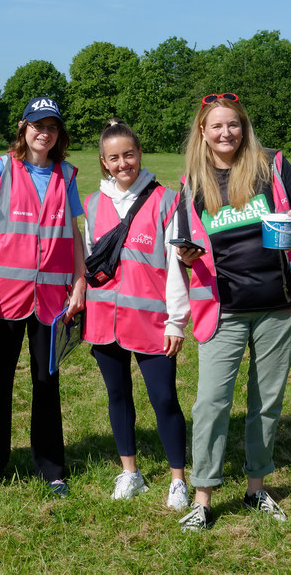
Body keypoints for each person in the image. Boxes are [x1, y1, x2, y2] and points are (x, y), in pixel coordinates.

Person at [175, 92, 291, 531]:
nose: (226, 133)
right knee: (211, 403)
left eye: (233, 124)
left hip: (278, 307)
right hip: (224, 310)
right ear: (203, 131)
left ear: (244, 127)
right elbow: (182, 246)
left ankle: (256, 487)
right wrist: (185, 255)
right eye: (217, 126)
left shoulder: (271, 166)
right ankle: (203, 496)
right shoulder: (192, 184)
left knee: (266, 402)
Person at [0, 96, 86, 496]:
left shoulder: (66, 174)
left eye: (52, 127)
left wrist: (80, 280)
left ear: (58, 134)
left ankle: (51, 467)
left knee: (46, 381)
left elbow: (74, 234)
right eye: (38, 125)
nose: (44, 133)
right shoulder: (0, 169)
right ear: (23, 128)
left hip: (51, 301)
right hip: (3, 295)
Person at [82, 119, 191, 511]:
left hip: (152, 323)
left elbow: (177, 265)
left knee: (164, 399)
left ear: (139, 154)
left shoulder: (166, 199)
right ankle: (130, 471)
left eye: (129, 154)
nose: (123, 163)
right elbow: (90, 260)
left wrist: (177, 320)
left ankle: (178, 479)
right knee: (117, 395)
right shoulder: (92, 204)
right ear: (103, 162)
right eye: (114, 157)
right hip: (103, 320)